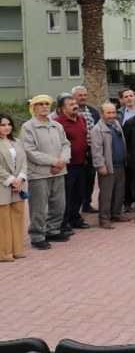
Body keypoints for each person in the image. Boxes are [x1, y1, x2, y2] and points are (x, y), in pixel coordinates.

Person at [23, 95, 71, 249]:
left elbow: (66, 145)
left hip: (59, 171)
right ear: (33, 107)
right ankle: (37, 236)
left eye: (47, 104)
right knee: (39, 207)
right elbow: (30, 151)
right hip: (39, 174)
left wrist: (62, 160)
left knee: (59, 204)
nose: (44, 106)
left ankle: (53, 230)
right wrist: (54, 161)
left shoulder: (57, 126)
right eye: (40, 104)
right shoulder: (28, 127)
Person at [90, 103, 130, 229]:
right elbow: (96, 150)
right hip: (107, 166)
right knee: (106, 195)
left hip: (120, 165)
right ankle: (104, 219)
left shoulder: (116, 124)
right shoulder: (97, 130)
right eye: (108, 113)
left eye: (113, 112)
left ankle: (116, 214)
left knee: (119, 192)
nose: (112, 115)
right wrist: (100, 165)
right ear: (102, 114)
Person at [54, 94, 90, 232]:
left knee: (79, 193)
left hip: (82, 163)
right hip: (67, 166)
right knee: (66, 195)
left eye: (75, 103)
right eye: (71, 104)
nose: (75, 106)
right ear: (63, 109)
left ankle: (75, 218)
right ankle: (64, 222)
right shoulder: (58, 123)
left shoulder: (81, 119)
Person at [0, 113, 28, 260]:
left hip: (19, 184)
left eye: (9, 124)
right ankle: (4, 253)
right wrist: (11, 180)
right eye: (3, 125)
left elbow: (24, 162)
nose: (7, 127)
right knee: (3, 220)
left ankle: (18, 249)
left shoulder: (17, 141)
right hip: (3, 185)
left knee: (18, 216)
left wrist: (20, 178)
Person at [72, 85, 100, 214]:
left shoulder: (93, 111)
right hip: (76, 152)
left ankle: (86, 204)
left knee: (90, 178)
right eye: (80, 95)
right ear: (74, 97)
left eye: (84, 95)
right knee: (77, 181)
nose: (83, 98)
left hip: (91, 150)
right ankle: (74, 208)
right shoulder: (70, 111)